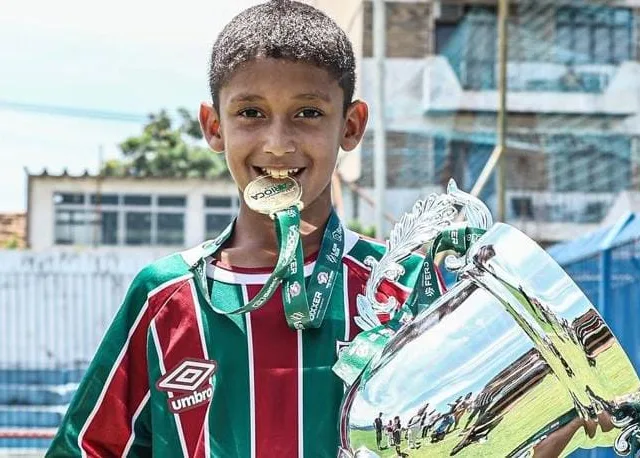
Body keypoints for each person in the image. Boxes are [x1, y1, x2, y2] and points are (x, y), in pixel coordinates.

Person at [45, 1, 426, 457]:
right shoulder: (167, 297)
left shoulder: (407, 286)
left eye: (308, 113)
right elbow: (88, 448)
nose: (278, 143)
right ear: (213, 127)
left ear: (350, 125)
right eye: (251, 113)